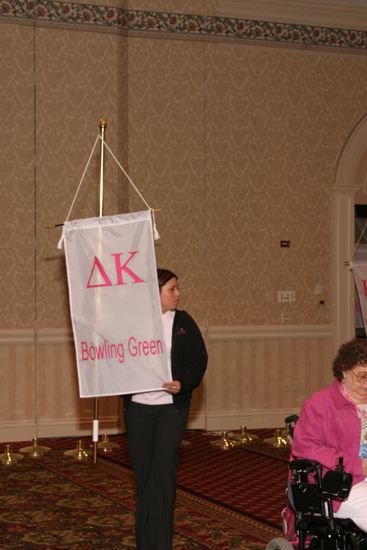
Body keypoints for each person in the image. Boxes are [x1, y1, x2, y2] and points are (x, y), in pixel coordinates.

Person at [123, 268, 208, 550]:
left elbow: (198, 361)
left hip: (171, 409)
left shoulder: (183, 322)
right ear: (155, 293)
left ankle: (161, 544)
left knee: (162, 469)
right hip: (138, 409)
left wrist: (182, 382)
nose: (177, 294)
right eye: (171, 289)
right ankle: (145, 542)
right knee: (145, 476)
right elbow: (116, 358)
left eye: (177, 288)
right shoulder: (132, 323)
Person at [291, 338, 367, 532]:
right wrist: (358, 465)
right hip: (336, 485)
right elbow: (306, 448)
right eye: (362, 376)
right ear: (344, 370)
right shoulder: (321, 404)